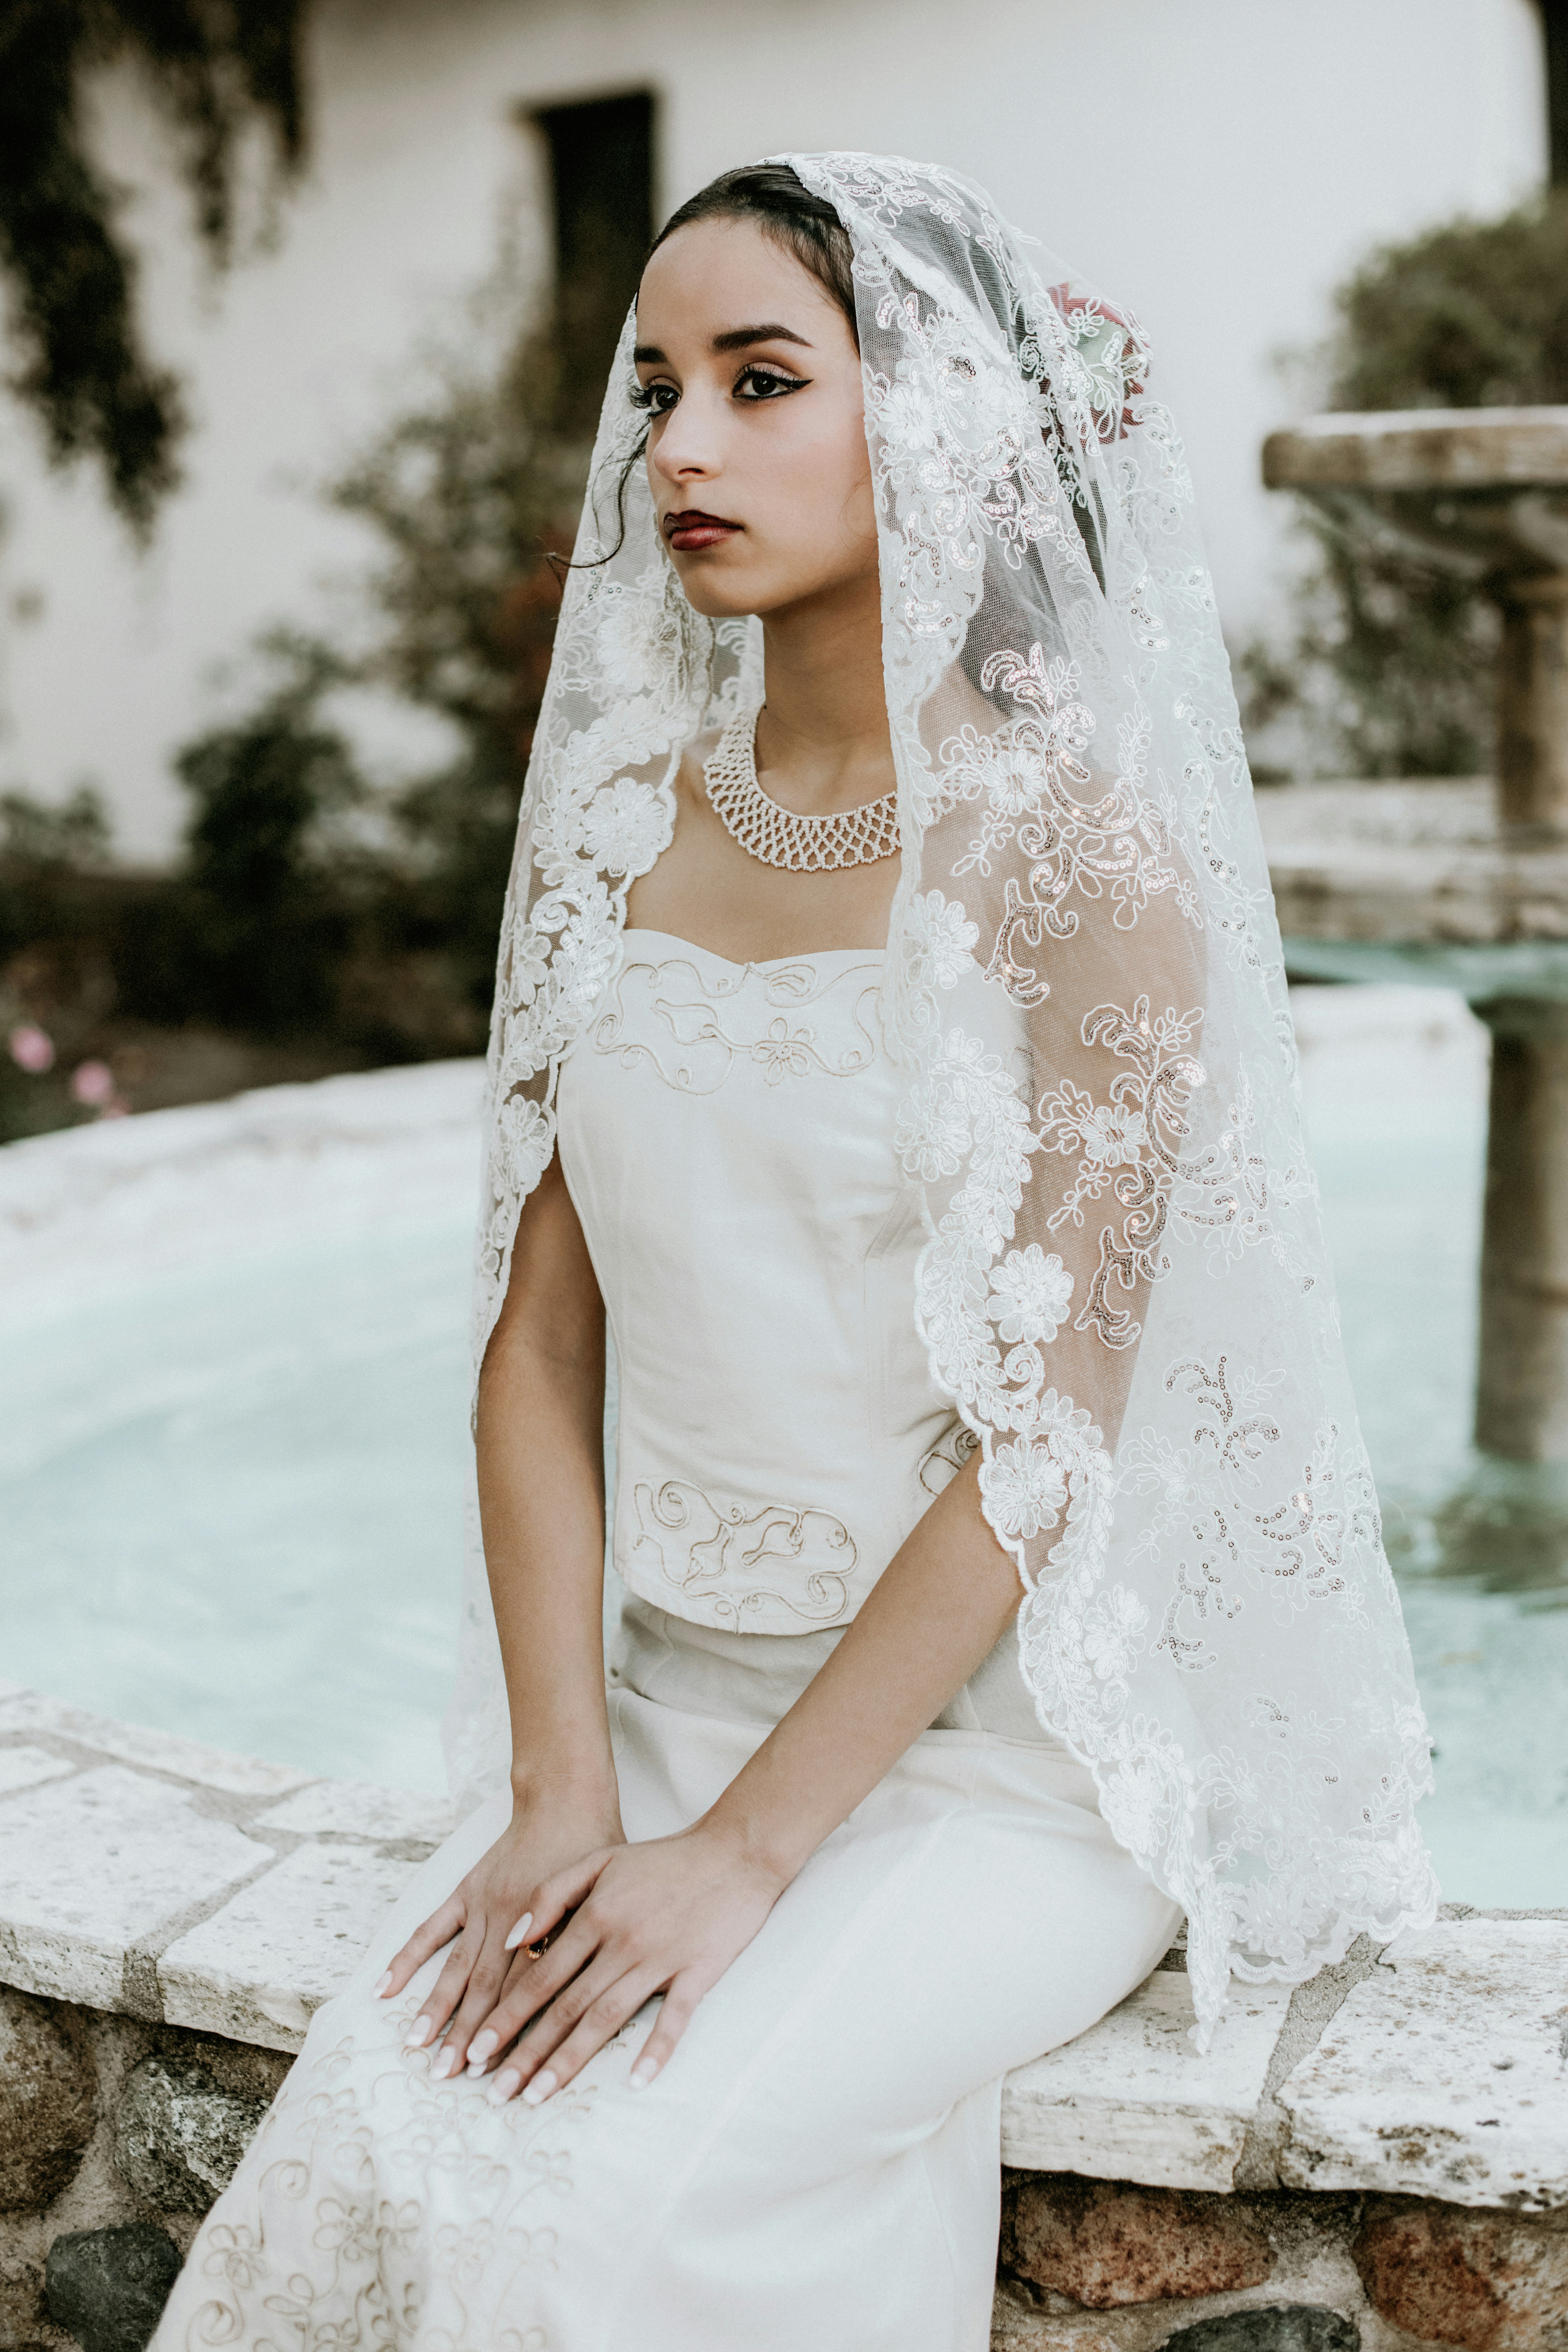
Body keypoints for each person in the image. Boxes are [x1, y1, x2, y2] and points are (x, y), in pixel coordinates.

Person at [149, 154, 1437, 2352]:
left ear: (940, 415)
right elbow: (535, 1356)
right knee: (391, 2146)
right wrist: (568, 1790)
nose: (680, 449)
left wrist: (742, 1860)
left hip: (1001, 1765)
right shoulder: (630, 825)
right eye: (657, 388)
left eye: (763, 381)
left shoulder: (1081, 857)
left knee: (619, 2196)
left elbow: (1052, 1445)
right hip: (654, 1706)